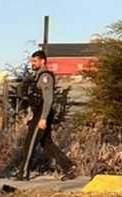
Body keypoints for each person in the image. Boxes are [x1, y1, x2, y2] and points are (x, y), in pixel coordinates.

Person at [18, 50, 75, 181]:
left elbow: (48, 99)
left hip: (43, 113)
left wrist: (43, 118)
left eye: (35, 61)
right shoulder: (37, 76)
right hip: (38, 113)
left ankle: (24, 172)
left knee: (30, 142)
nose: (33, 63)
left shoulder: (45, 77)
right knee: (46, 143)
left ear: (43, 61)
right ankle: (69, 167)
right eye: (32, 61)